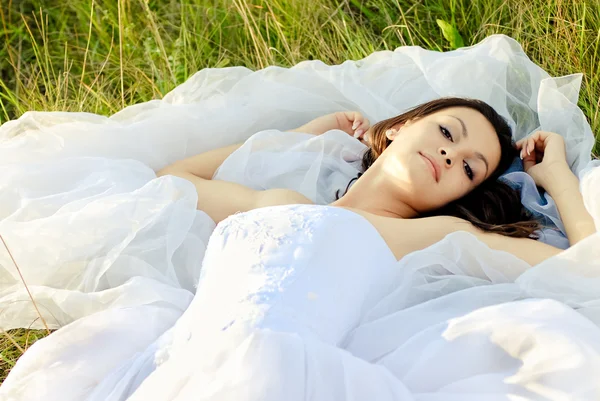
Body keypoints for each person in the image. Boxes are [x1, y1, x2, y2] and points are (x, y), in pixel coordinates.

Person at [157, 97, 596, 266]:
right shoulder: (276, 199)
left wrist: (556, 177)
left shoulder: (437, 234)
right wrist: (298, 137)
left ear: (461, 195)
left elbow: (586, 269)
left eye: (469, 169)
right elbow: (170, 182)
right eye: (447, 133)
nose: (450, 154)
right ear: (402, 126)